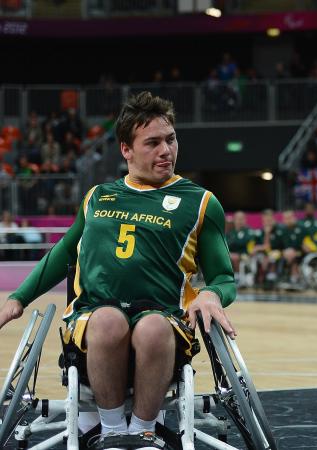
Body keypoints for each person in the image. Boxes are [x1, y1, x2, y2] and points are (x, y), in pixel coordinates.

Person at [0, 92, 236, 450]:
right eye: (153, 143)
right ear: (126, 149)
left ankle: (143, 432)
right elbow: (64, 252)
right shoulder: (98, 196)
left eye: (170, 140)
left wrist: (210, 293)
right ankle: (110, 432)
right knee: (109, 321)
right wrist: (18, 298)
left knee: (153, 326)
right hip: (93, 316)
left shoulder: (200, 202)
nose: (166, 151)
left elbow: (224, 278)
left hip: (164, 318)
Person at [226, 210, 258, 287]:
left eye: (241, 219)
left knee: (235, 257)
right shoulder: (230, 233)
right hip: (231, 255)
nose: (239, 221)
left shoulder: (249, 232)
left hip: (245, 255)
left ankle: (237, 277)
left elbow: (250, 246)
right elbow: (226, 245)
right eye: (238, 219)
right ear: (234, 220)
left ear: (245, 220)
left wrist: (239, 254)